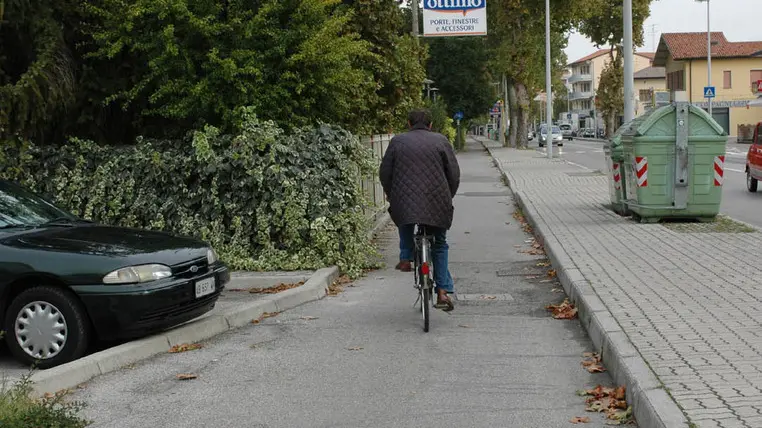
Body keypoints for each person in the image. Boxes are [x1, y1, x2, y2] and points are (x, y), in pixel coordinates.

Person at [379, 109, 460, 311]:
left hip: (404, 199)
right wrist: (448, 195)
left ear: (408, 123)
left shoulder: (397, 141)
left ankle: (405, 257)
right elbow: (454, 173)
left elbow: (385, 172)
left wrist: (391, 193)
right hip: (437, 199)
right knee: (439, 244)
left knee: (405, 217)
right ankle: (442, 291)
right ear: (431, 125)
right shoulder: (441, 141)